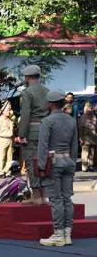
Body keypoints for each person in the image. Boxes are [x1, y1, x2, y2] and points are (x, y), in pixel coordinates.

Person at [37, 91, 78, 247]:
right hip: (68, 161)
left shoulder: (48, 121)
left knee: (56, 200)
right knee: (67, 198)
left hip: (53, 162)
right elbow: (75, 145)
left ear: (51, 104)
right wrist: (73, 162)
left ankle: (58, 234)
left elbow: (43, 146)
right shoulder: (71, 120)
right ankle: (67, 233)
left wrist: (41, 166)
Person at [16, 65, 49, 204]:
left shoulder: (27, 93)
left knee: (31, 161)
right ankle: (43, 196)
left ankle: (36, 196)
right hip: (46, 131)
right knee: (43, 162)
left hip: (32, 131)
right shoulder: (47, 91)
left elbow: (26, 114)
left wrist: (21, 134)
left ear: (27, 78)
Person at [0, 101, 15, 176]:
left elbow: (12, 131)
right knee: (2, 155)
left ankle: (8, 170)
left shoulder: (10, 120)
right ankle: (1, 170)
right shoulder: (0, 120)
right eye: (7, 110)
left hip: (9, 139)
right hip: (3, 138)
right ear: (3, 111)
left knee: (9, 156)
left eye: (9, 110)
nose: (9, 111)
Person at [78, 102, 96, 171]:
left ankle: (91, 165)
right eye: (88, 108)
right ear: (85, 108)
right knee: (85, 152)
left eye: (91, 108)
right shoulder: (83, 117)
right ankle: (84, 167)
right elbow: (80, 129)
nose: (90, 109)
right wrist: (81, 139)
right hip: (85, 138)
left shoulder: (94, 117)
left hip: (94, 138)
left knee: (92, 152)